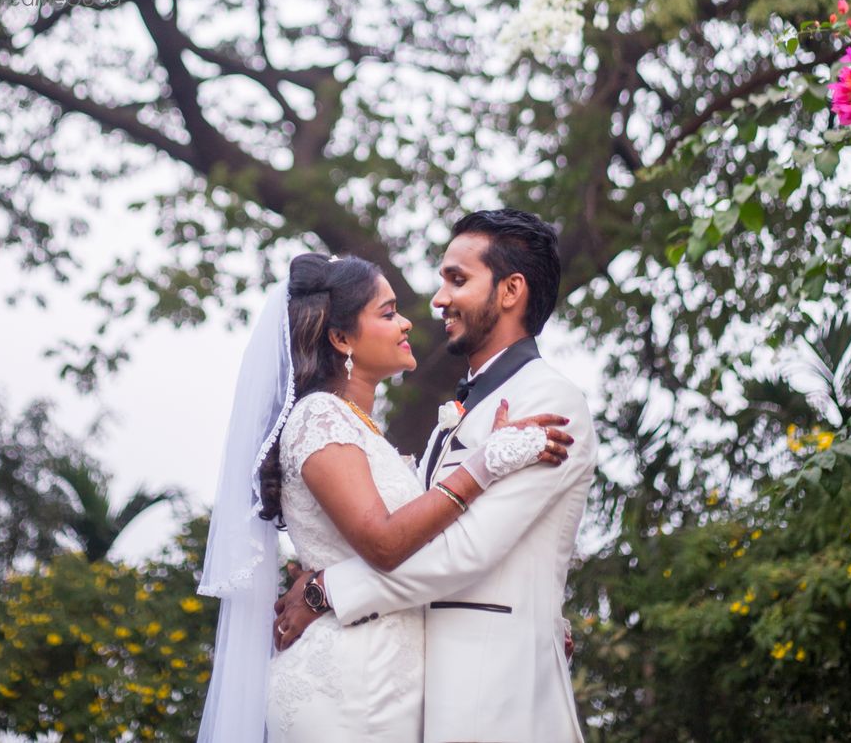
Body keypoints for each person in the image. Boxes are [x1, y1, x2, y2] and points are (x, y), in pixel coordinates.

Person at [195, 248, 573, 743]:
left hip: (391, 679)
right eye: (388, 312)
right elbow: (384, 542)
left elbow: (442, 544)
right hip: (351, 684)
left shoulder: (361, 431)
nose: (408, 323)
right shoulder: (319, 418)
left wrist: (531, 614)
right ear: (342, 338)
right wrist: (487, 463)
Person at [274, 209, 598, 743]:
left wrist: (327, 590)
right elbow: (412, 530)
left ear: (512, 290)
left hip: (494, 691)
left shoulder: (548, 400)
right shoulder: (466, 410)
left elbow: (465, 552)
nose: (438, 299)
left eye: (458, 279)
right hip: (411, 689)